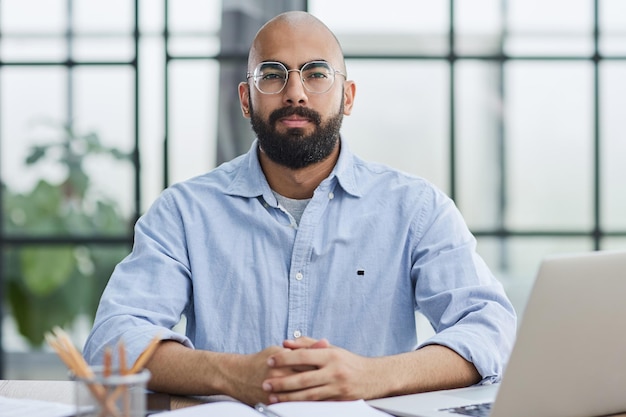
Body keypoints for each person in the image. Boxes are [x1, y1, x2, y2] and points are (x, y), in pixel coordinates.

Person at [83, 11, 516, 406]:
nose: (295, 93)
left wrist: (372, 376)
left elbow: (491, 327)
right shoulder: (183, 212)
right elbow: (112, 340)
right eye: (272, 75)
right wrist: (234, 375)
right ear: (246, 98)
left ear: (347, 96)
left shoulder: (416, 208)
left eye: (316, 74)